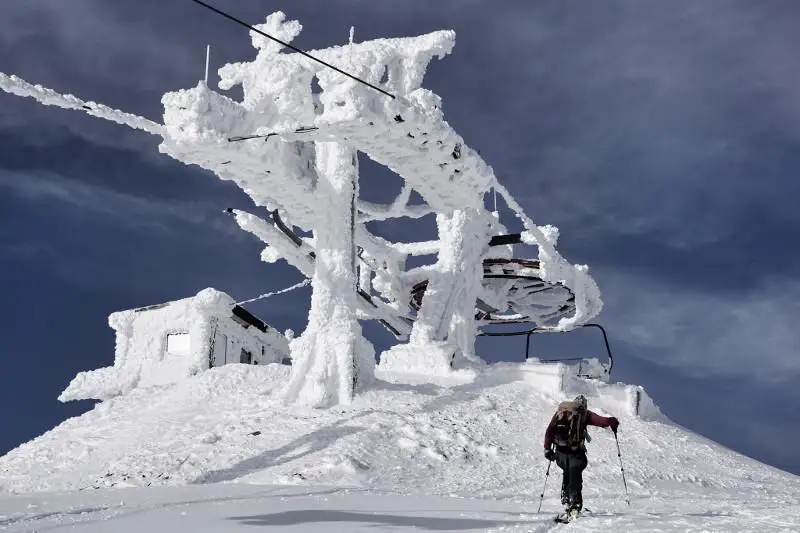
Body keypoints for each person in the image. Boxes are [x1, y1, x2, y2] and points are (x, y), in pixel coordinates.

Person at [543, 395, 619, 516]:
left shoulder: (561, 411)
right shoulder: (584, 413)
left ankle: (566, 499)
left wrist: (547, 449)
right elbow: (602, 421)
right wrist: (612, 421)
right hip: (575, 452)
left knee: (567, 472)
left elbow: (549, 430)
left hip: (560, 453)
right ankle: (575, 505)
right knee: (575, 476)